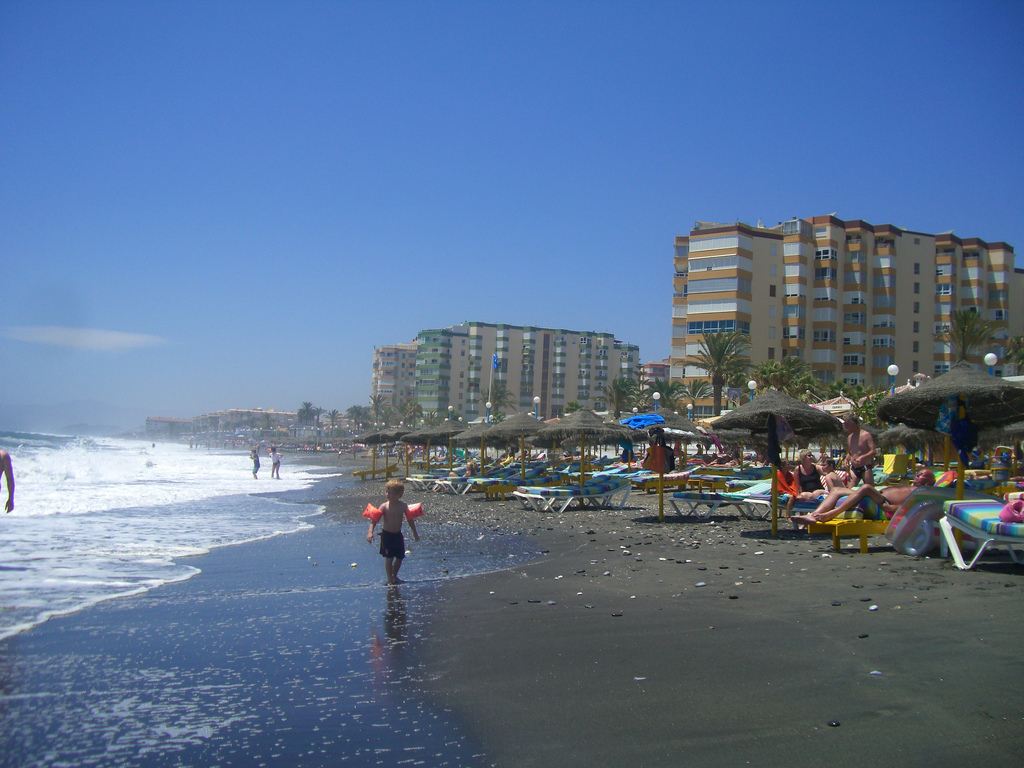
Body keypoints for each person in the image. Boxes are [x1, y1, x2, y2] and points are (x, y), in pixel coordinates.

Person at [790, 468, 936, 525]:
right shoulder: (911, 486)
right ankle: (813, 515)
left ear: (929, 482)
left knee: (866, 487)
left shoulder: (923, 492)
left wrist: (894, 507)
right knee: (836, 490)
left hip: (884, 502)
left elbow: (916, 506)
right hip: (879, 496)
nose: (917, 476)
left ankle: (832, 513)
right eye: (917, 474)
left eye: (921, 475)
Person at [367, 479, 420, 585]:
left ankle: (394, 575)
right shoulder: (384, 506)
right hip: (387, 535)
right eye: (387, 491)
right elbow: (374, 520)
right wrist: (370, 532)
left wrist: (415, 532)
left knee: (400, 557)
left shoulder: (403, 506)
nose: (387, 494)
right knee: (389, 558)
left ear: (398, 494)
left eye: (390, 492)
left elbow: (410, 520)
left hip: (398, 535)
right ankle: (390, 579)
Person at [785, 451, 826, 516]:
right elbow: (797, 484)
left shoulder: (816, 467)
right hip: (806, 492)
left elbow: (826, 472)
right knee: (801, 497)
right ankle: (802, 518)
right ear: (803, 458)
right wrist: (797, 493)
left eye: (812, 455)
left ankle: (808, 518)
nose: (812, 457)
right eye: (809, 455)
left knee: (813, 494)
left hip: (818, 490)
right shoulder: (798, 469)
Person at [844, 416, 877, 487]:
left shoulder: (866, 435)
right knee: (850, 489)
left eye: (847, 426)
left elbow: (873, 451)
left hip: (865, 467)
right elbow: (850, 452)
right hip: (854, 468)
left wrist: (862, 457)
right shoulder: (850, 437)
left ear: (853, 424)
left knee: (870, 489)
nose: (846, 428)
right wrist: (846, 459)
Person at [1, 448, 14, 513]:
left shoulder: (4, 456)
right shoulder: (4, 455)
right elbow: (9, 479)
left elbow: (9, 479)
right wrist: (10, 499)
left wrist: (11, 499)